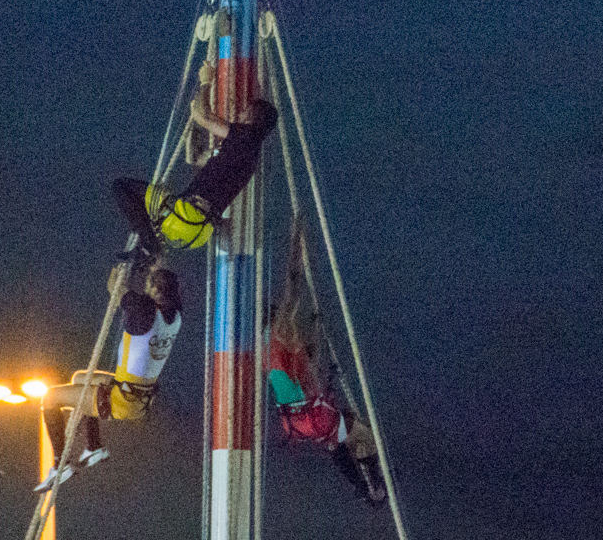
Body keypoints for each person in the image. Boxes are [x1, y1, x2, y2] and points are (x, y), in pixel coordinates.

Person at [267, 221, 386, 506]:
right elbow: (292, 281)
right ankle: (374, 486)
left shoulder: (271, 352)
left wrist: (317, 330)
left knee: (341, 432)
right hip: (314, 417)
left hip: (296, 423)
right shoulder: (284, 330)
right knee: (365, 438)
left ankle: (362, 486)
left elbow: (308, 366)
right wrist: (296, 243)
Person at [37, 264, 183, 491]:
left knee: (49, 398)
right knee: (80, 379)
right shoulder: (174, 317)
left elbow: (114, 287)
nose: (145, 289)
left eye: (149, 285)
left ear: (155, 290)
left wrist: (121, 267)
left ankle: (60, 465)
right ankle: (93, 447)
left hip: (122, 399)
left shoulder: (145, 311)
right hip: (138, 396)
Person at [113, 92, 279, 257]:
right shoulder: (248, 154)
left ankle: (149, 245)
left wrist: (205, 81)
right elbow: (200, 160)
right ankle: (146, 247)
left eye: (244, 111)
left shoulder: (246, 136)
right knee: (146, 203)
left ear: (252, 115)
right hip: (197, 232)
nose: (239, 114)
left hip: (187, 216)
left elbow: (203, 116)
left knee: (122, 187)